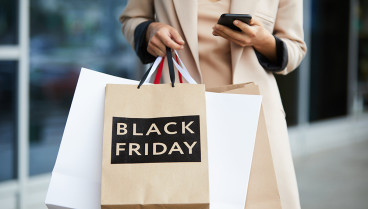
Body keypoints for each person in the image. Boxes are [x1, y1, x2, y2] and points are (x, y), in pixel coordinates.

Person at [120, 0, 306, 208]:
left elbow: (295, 47)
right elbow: (131, 19)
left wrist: (262, 40)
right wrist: (149, 30)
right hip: (178, 118)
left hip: (253, 117)